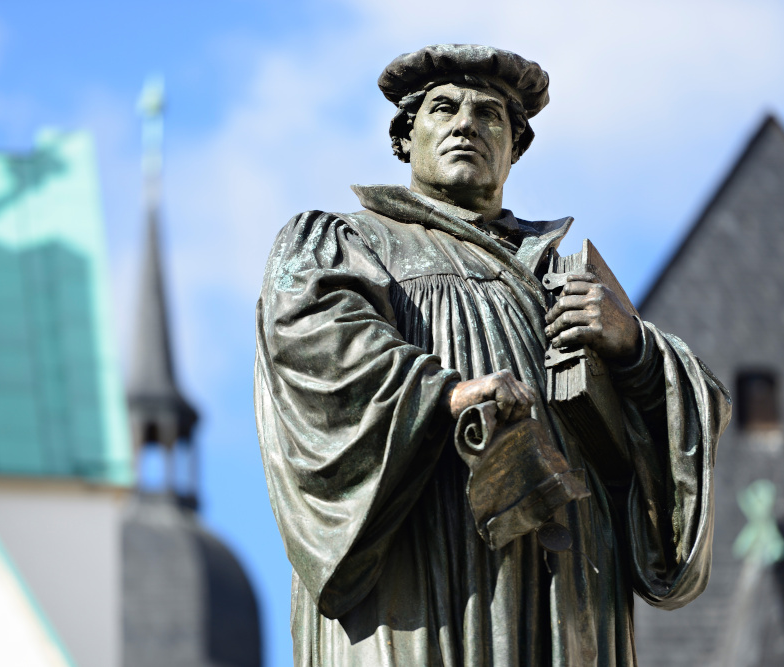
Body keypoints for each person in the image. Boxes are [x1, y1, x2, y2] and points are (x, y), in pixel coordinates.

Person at [254, 44, 731, 666]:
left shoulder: (563, 276)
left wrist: (635, 347)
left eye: (488, 115)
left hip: (571, 577)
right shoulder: (350, 242)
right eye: (443, 108)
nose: (465, 125)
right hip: (428, 559)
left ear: (514, 146)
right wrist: (444, 394)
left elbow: (697, 412)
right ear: (406, 136)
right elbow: (311, 341)